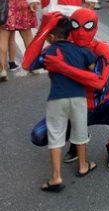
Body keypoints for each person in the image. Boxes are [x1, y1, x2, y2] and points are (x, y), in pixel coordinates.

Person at [26, 9, 109, 171]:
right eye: (75, 25)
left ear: (95, 27)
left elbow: (99, 82)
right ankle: (77, 138)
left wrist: (63, 67)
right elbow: (28, 64)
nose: (81, 32)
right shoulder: (62, 48)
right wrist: (44, 29)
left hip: (101, 106)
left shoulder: (102, 49)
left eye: (87, 26)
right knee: (38, 135)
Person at [26, 15, 97, 192]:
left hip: (56, 98)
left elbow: (29, 63)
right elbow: (92, 67)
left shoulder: (49, 52)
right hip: (78, 97)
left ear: (50, 36)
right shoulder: (81, 50)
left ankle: (56, 177)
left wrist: (42, 34)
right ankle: (83, 165)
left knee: (55, 136)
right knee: (81, 132)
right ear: (70, 33)